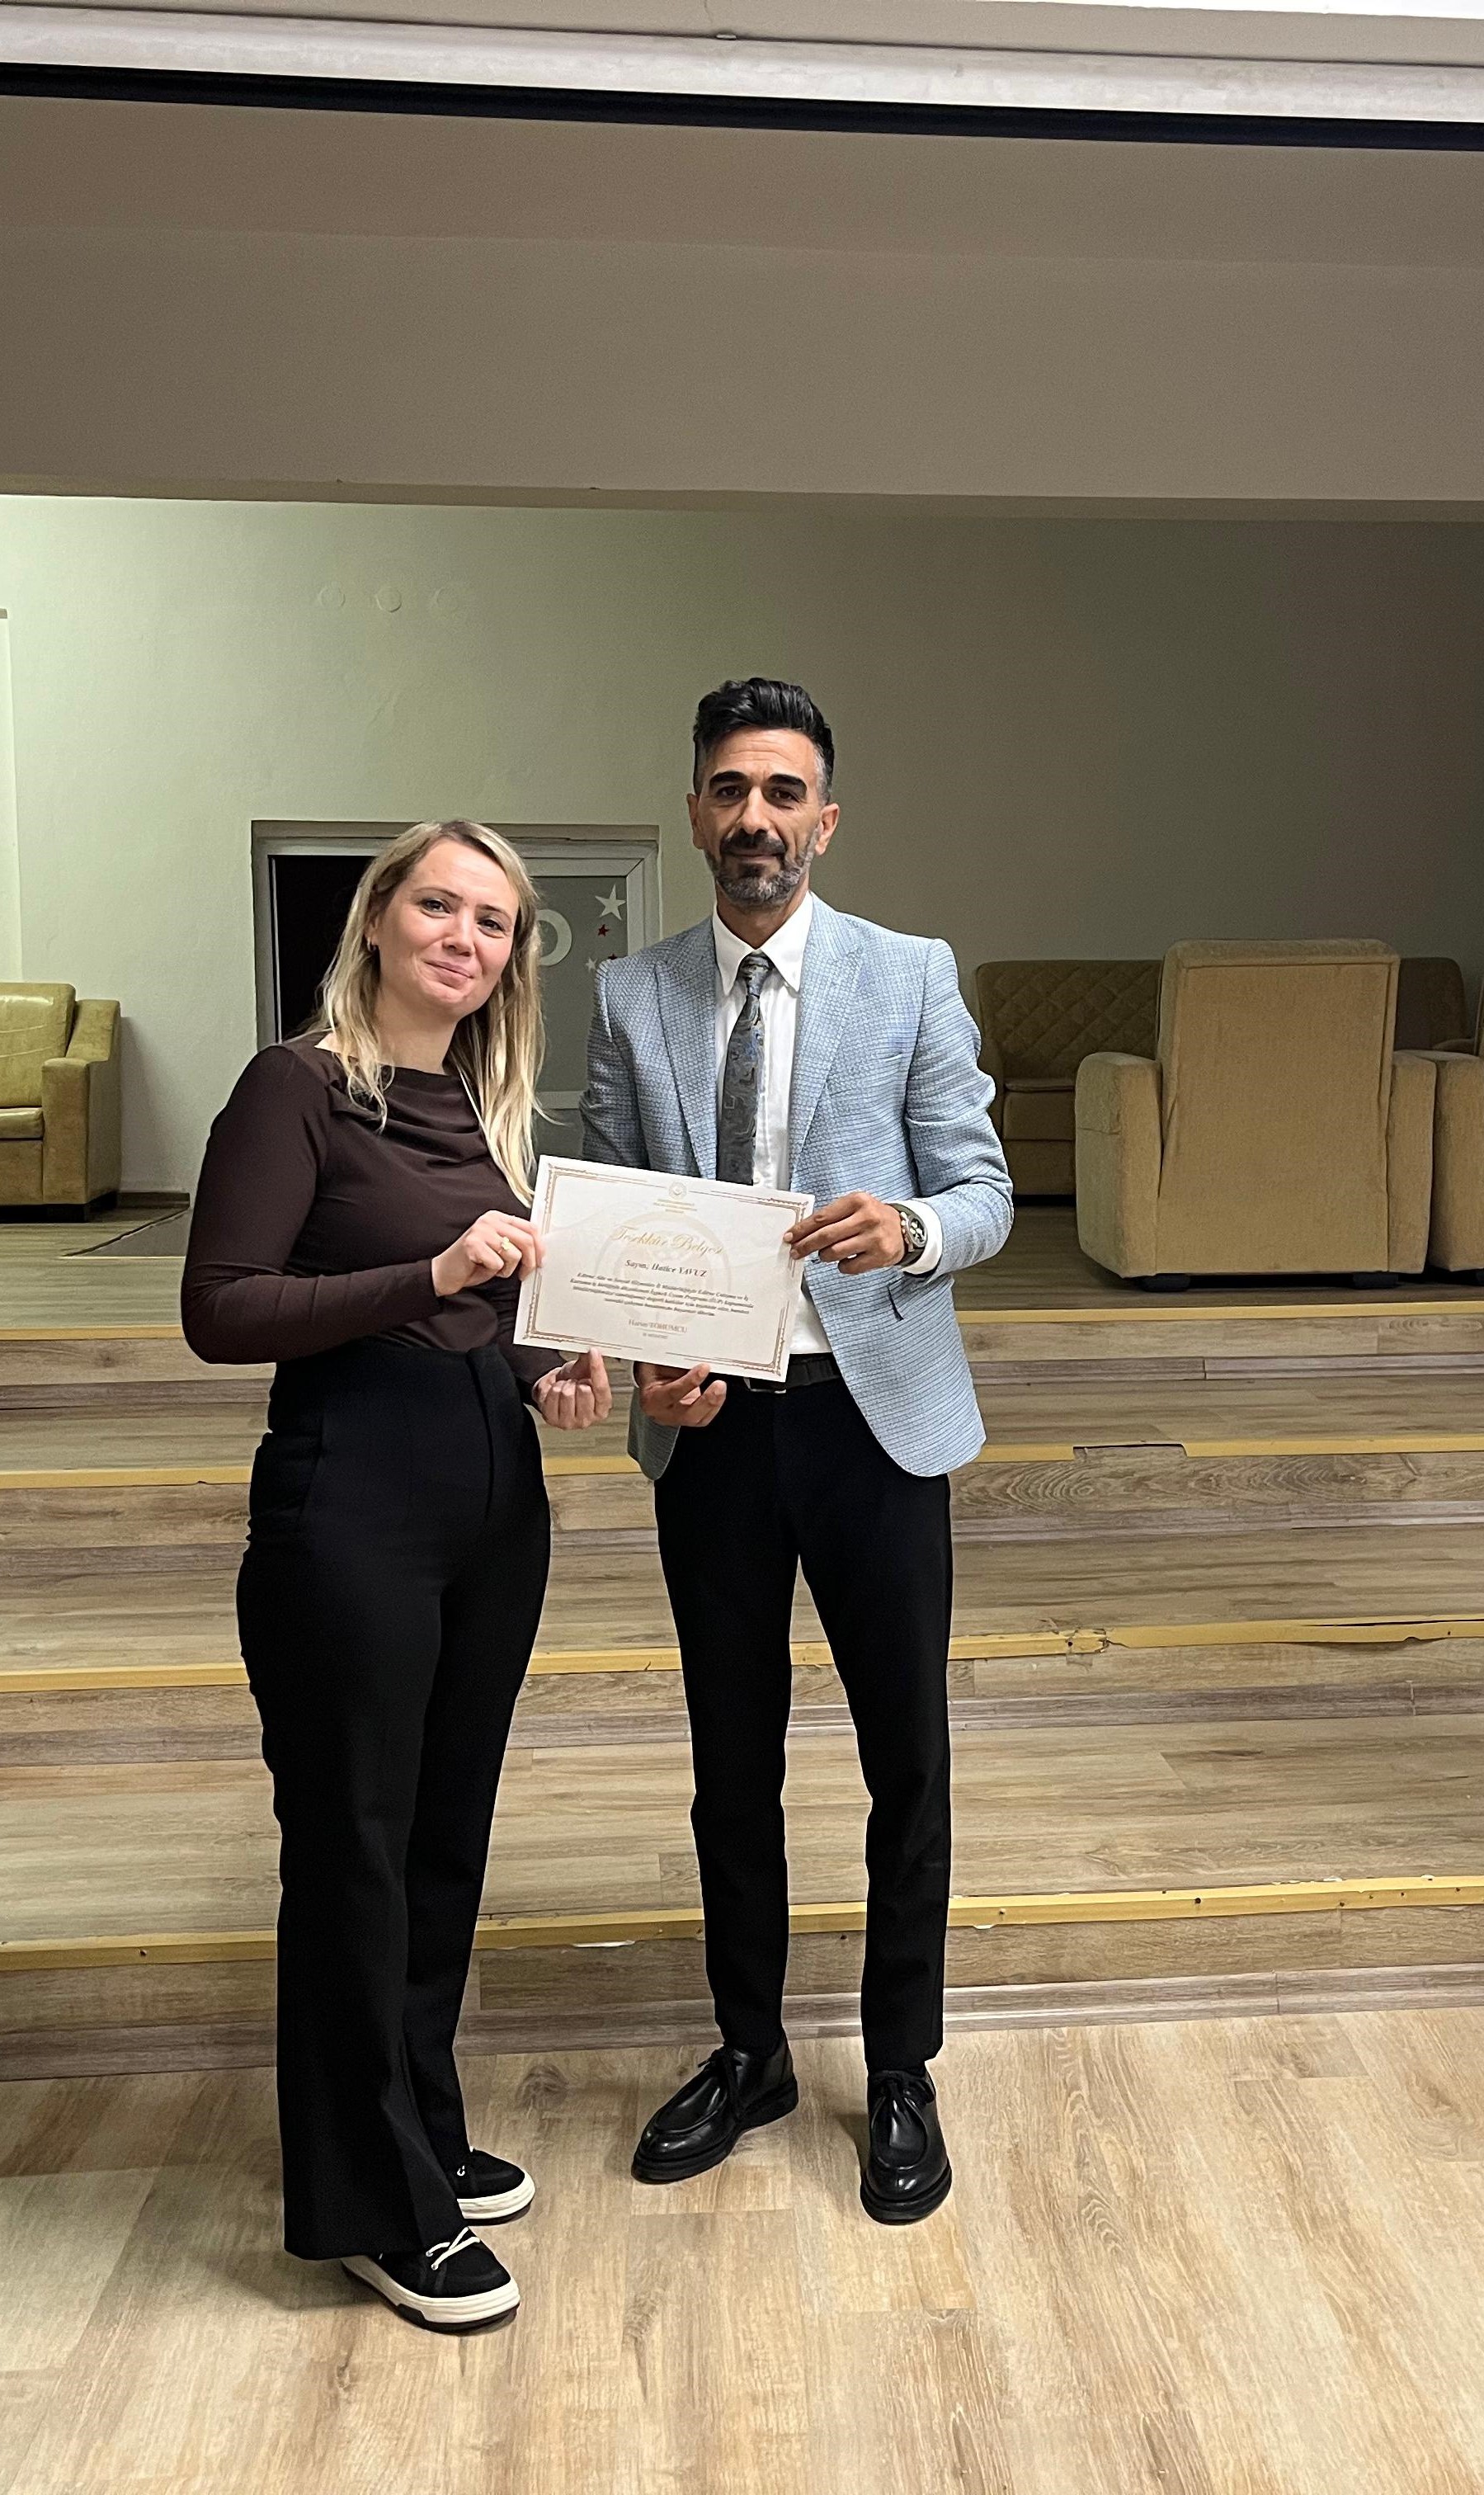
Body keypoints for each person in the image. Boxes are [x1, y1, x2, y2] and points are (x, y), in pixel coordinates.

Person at [580, 680, 1012, 2224]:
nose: (754, 817)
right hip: (714, 1431)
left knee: (908, 1757)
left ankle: (900, 2066)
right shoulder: (630, 996)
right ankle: (751, 2049)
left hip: (872, 1420)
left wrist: (911, 1228)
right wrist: (649, 1359)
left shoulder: (910, 975)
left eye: (782, 792)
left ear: (824, 820)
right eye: (728, 789)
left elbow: (985, 1192)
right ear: (695, 812)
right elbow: (618, 1225)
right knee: (730, 1758)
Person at [182, 819, 610, 2332]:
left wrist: (556, 1372)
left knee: (442, 1840)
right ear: (378, 918)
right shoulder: (294, 1087)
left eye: (494, 922)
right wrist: (431, 1276)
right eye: (439, 904)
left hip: (490, 1496)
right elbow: (222, 1311)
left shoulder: (482, 1108)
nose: (465, 938)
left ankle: (416, 2128)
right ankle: (373, 2207)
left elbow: (490, 1317)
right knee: (354, 1849)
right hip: (350, 1496)